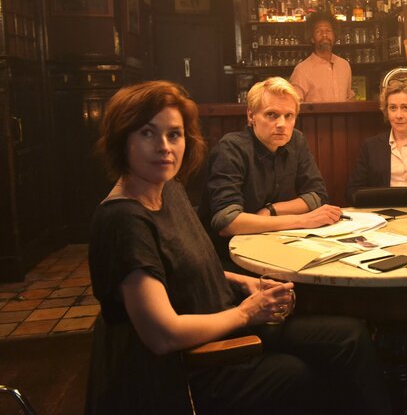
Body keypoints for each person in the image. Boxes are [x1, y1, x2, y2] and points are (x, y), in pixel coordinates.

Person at [86, 81, 391, 414]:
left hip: (226, 318)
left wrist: (246, 283)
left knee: (350, 336)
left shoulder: (168, 189)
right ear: (121, 139)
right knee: (306, 373)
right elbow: (163, 335)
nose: (164, 147)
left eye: (174, 134)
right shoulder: (124, 220)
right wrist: (247, 312)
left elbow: (189, 267)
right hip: (191, 368)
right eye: (148, 133)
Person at [199, 77, 342, 268]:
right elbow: (227, 223)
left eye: (289, 116)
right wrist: (302, 220)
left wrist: (271, 211)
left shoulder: (296, 141)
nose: (282, 124)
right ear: (251, 116)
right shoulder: (231, 148)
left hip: (278, 247)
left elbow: (318, 196)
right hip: (229, 259)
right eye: (271, 115)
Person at [290, 12, 354, 102]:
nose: (324, 35)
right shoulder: (301, 70)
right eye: (319, 31)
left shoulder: (344, 65)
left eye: (328, 31)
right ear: (312, 38)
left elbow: (349, 99)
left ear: (334, 36)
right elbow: (294, 104)